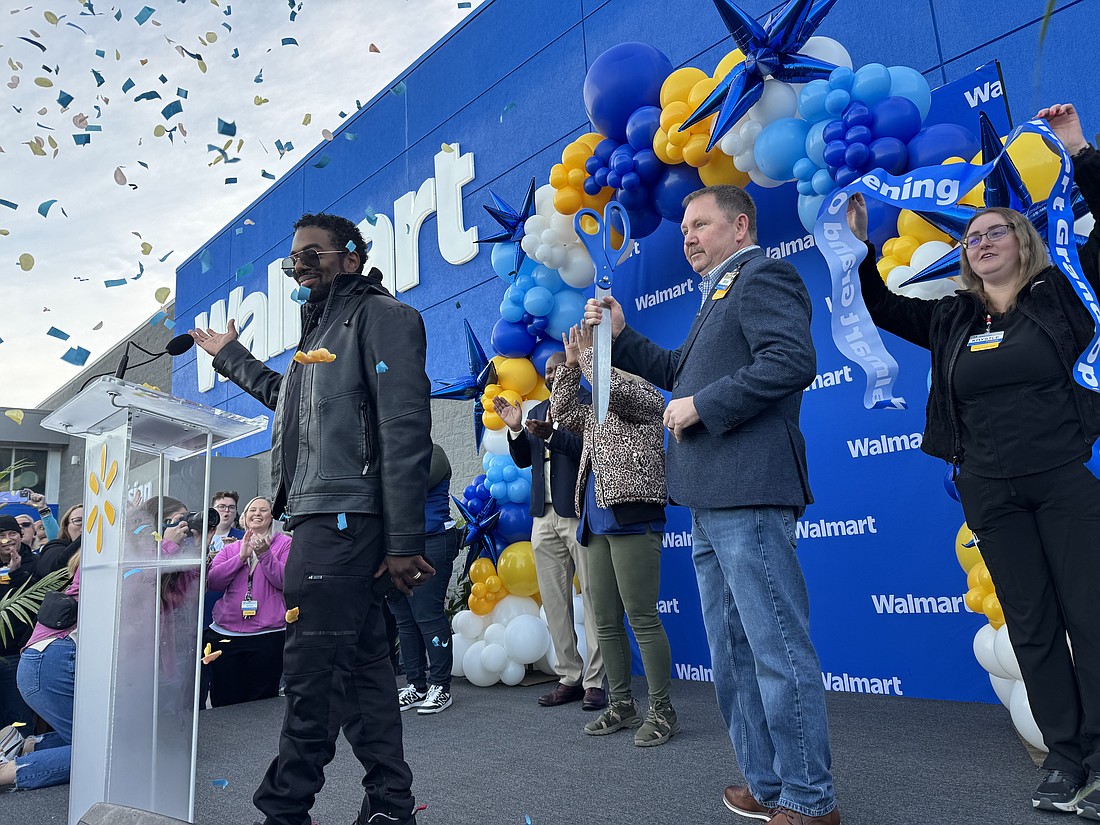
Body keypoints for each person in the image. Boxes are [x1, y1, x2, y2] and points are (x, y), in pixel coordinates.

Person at [848, 103, 1100, 820]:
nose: (982, 241)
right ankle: (1068, 758)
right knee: (1033, 624)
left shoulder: (1064, 299)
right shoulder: (952, 316)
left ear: (1024, 240)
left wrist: (1079, 149)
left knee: (1092, 614)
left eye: (996, 231)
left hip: (1062, 482)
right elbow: (882, 308)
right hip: (989, 490)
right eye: (973, 237)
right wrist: (862, 251)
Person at [585, 184, 835, 823]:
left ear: (741, 226)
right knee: (733, 658)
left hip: (750, 492)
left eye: (701, 224)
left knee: (775, 651)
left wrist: (703, 407)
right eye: (685, 228)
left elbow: (791, 361)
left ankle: (810, 801)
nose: (688, 236)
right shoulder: (717, 294)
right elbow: (676, 369)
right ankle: (769, 785)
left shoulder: (762, 276)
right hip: (708, 499)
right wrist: (623, 334)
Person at [190, 211, 433, 825]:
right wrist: (233, 358)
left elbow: (406, 432)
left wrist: (403, 539)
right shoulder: (318, 337)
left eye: (313, 254)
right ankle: (390, 808)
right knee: (365, 674)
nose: (300, 265)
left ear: (351, 257)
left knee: (312, 676)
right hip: (322, 520)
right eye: (293, 257)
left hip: (347, 523)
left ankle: (284, 810)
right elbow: (290, 404)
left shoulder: (384, 318)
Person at [552, 323, 674, 746]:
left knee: (641, 617)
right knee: (604, 620)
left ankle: (662, 710)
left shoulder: (644, 395)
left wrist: (590, 357)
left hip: (632, 516)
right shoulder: (598, 408)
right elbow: (564, 415)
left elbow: (612, 387)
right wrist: (569, 368)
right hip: (594, 521)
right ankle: (621, 705)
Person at [493, 352, 607, 712]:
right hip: (541, 517)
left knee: (592, 598)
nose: (552, 375)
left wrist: (554, 434)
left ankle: (595, 681)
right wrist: (514, 428)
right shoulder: (538, 410)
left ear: (572, 370)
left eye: (558, 369)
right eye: (547, 372)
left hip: (576, 512)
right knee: (555, 602)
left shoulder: (589, 403)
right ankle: (570, 677)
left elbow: (589, 452)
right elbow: (526, 460)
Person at [0, 550, 79, 791]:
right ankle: (7, 771)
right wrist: (169, 546)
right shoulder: (105, 556)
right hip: (51, 664)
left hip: (42, 661)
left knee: (96, 737)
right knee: (103, 750)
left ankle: (26, 747)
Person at [391, 445, 460, 716]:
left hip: (431, 541)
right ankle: (415, 684)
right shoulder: (391, 456)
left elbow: (409, 486)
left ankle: (440, 685)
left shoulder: (434, 452)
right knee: (405, 618)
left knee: (427, 614)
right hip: (396, 549)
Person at [204, 497, 290, 707]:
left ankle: (254, 740)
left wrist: (264, 554)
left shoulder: (285, 544)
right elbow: (213, 582)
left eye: (264, 510)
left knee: (261, 702)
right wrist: (241, 558)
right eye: (252, 509)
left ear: (272, 516)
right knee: (224, 700)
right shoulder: (231, 548)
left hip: (268, 635)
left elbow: (284, 581)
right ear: (244, 516)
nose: (257, 513)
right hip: (226, 633)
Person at [0, 515, 37, 730]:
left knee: (18, 720)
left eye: (12, 534)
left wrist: (16, 573)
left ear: (21, 536)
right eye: (1, 535)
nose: (7, 540)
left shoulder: (34, 563)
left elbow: (34, 600)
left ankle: (20, 762)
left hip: (17, 654)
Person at [34, 505, 82, 578]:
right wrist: (85, 536)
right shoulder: (54, 547)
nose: (85, 525)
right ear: (66, 527)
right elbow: (57, 568)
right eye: (78, 520)